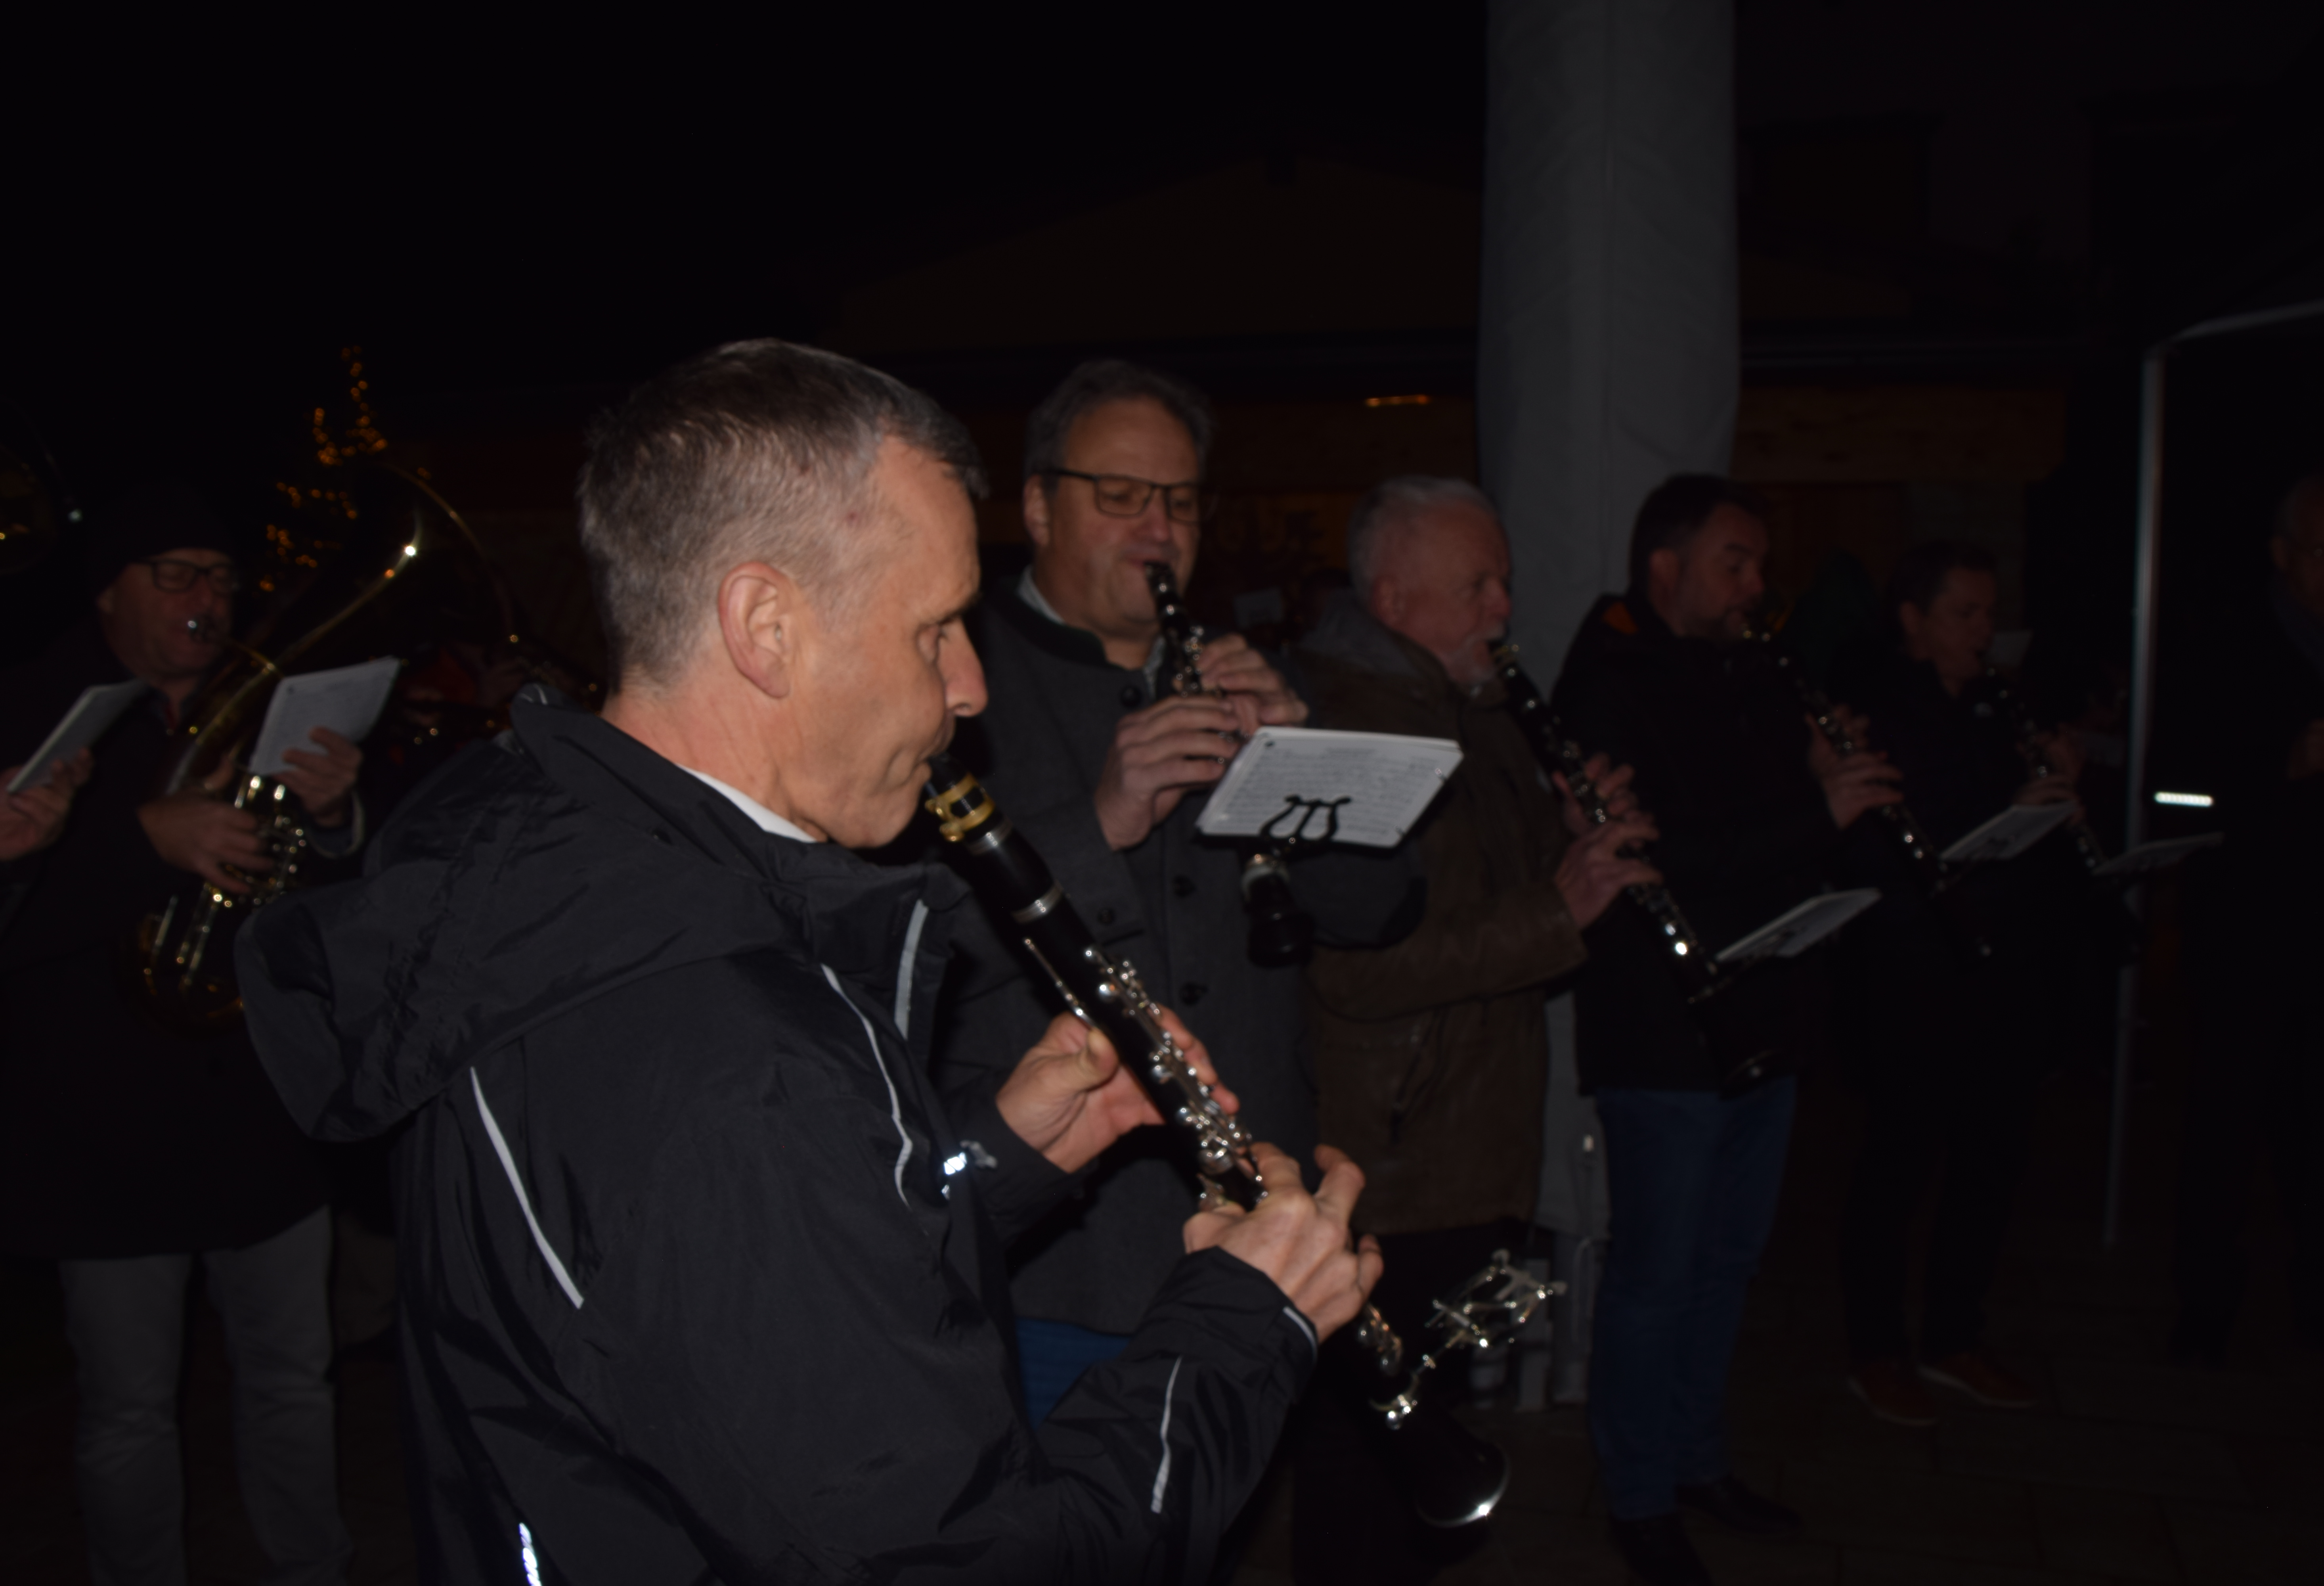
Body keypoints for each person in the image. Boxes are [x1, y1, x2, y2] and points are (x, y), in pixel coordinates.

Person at [237, 340, 1382, 1583]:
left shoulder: (546, 854)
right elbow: (966, 1562)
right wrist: (1245, 1321)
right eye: (936, 629)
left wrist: (993, 1157)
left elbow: (739, 1293)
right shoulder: (730, 1055)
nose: (970, 687)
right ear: (766, 627)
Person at [926, 358, 1415, 1425]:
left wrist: (1300, 762)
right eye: (1122, 496)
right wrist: (1101, 817)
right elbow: (918, 941)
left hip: (1255, 1236)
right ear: (1039, 507)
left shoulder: (1251, 675)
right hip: (1054, 1257)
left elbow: (1377, 913)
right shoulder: (948, 684)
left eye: (1183, 503)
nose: (1160, 530)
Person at [1286, 476, 1656, 1582]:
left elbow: (1482, 882)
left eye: (1504, 582)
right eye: (1478, 586)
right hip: (1392, 1157)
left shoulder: (1473, 706)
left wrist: (1566, 831)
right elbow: (1358, 970)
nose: (1503, 608)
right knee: (1363, 1442)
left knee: (1423, 1424)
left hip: (1465, 1136)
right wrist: (1561, 909)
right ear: (1393, 599)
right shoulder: (1343, 725)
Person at [0, 479, 362, 1586]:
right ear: (109, 592)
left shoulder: (263, 704)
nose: (210, 597)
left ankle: (314, 1570)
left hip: (257, 1116)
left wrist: (334, 818)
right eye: (177, 576)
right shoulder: (27, 709)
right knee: (127, 1411)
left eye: (223, 577)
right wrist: (143, 841)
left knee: (294, 1379)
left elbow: (319, 909)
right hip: (100, 1129)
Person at [1551, 475, 1899, 1586]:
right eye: (1735, 563)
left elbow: (1780, 840)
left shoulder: (1750, 670)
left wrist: (1825, 780)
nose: (1757, 586)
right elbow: (1662, 858)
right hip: (1664, 1025)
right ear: (1667, 570)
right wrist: (1817, 808)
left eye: (1759, 564)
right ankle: (1640, 1495)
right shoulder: (1606, 684)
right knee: (1658, 1273)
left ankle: (1697, 1459)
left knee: (1729, 1263)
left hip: (1768, 1000)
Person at [1827, 540, 2082, 1425]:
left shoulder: (1999, 703)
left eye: (1988, 613)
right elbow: (1878, 838)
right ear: (1913, 620)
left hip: (2004, 961)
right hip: (1913, 965)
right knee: (1899, 1161)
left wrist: (2058, 789)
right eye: (1963, 614)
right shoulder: (1875, 706)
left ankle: (1953, 1335)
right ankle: (1876, 1348)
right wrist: (2001, 811)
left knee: (1992, 1156)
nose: (1984, 631)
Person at [2173, 469, 2324, 1376]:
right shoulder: (2224, 639)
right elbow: (2176, 785)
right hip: (2249, 922)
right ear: (2282, 554)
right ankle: (2204, 1305)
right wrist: (2284, 761)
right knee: (2225, 1121)